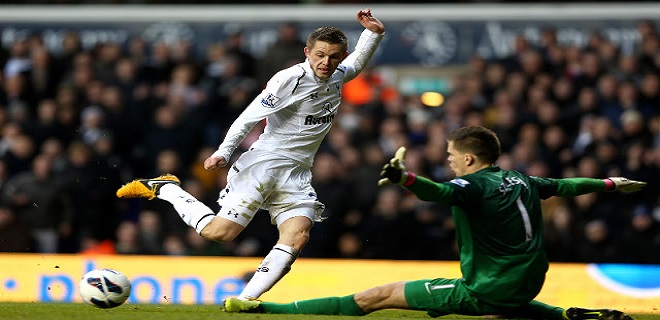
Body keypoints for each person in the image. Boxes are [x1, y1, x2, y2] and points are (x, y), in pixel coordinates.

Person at [222, 126, 645, 320]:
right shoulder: (523, 178)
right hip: (528, 280)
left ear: (468, 158)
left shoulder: (473, 185)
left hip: (489, 285)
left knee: (377, 296)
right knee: (504, 306)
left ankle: (263, 308)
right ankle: (575, 314)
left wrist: (405, 178)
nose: (447, 159)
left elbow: (441, 192)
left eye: (450, 155)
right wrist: (611, 182)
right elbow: (570, 186)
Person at [116, 8, 385, 301]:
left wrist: (373, 33)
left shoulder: (338, 74)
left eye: (334, 56)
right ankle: (165, 187)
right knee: (219, 233)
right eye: (320, 54)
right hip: (264, 164)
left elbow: (357, 63)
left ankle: (243, 301)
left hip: (296, 173)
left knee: (299, 234)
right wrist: (224, 151)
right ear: (307, 52)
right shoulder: (290, 79)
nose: (326, 62)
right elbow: (249, 116)